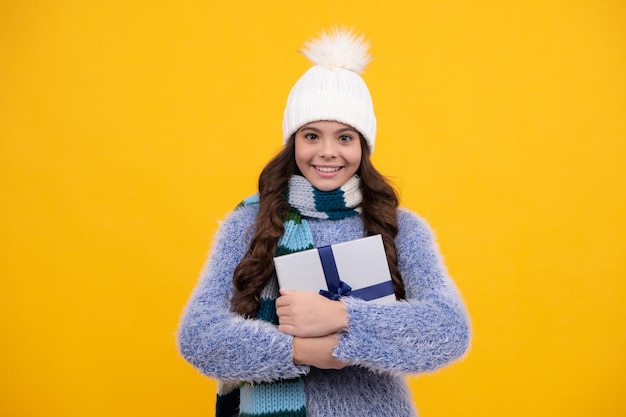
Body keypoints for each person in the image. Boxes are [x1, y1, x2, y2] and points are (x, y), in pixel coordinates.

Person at [177, 27, 471, 417]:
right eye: (312, 135)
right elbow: (199, 336)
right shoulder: (248, 224)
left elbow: (449, 331)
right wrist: (300, 350)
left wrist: (342, 316)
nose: (328, 152)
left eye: (345, 137)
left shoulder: (401, 228)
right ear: (293, 142)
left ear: (363, 146)